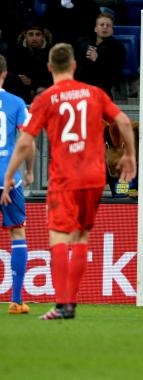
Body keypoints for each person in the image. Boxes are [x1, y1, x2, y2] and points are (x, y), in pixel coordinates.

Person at [1, 43, 137, 320]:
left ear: (49, 68)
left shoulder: (46, 99)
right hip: (93, 176)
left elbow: (26, 142)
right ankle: (70, 303)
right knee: (82, 237)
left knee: (59, 237)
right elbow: (123, 121)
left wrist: (8, 176)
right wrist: (130, 155)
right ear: (74, 66)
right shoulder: (94, 93)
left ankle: (63, 304)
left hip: (64, 176)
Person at [0, 54, 35, 315]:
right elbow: (28, 140)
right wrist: (31, 170)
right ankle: (15, 300)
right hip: (8, 179)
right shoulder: (16, 102)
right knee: (17, 234)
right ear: (4, 74)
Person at [74, 13, 126, 98]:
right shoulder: (83, 44)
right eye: (102, 25)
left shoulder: (118, 48)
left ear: (112, 30)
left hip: (103, 90)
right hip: (82, 90)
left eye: (108, 25)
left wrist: (97, 60)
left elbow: (114, 73)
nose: (105, 27)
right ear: (95, 28)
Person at [8, 24, 53, 104]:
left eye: (38, 34)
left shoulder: (51, 53)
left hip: (42, 89)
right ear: (25, 36)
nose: (34, 38)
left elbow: (52, 76)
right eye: (31, 34)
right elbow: (8, 72)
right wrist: (18, 78)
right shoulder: (15, 52)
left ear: (43, 36)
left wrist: (33, 83)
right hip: (19, 89)